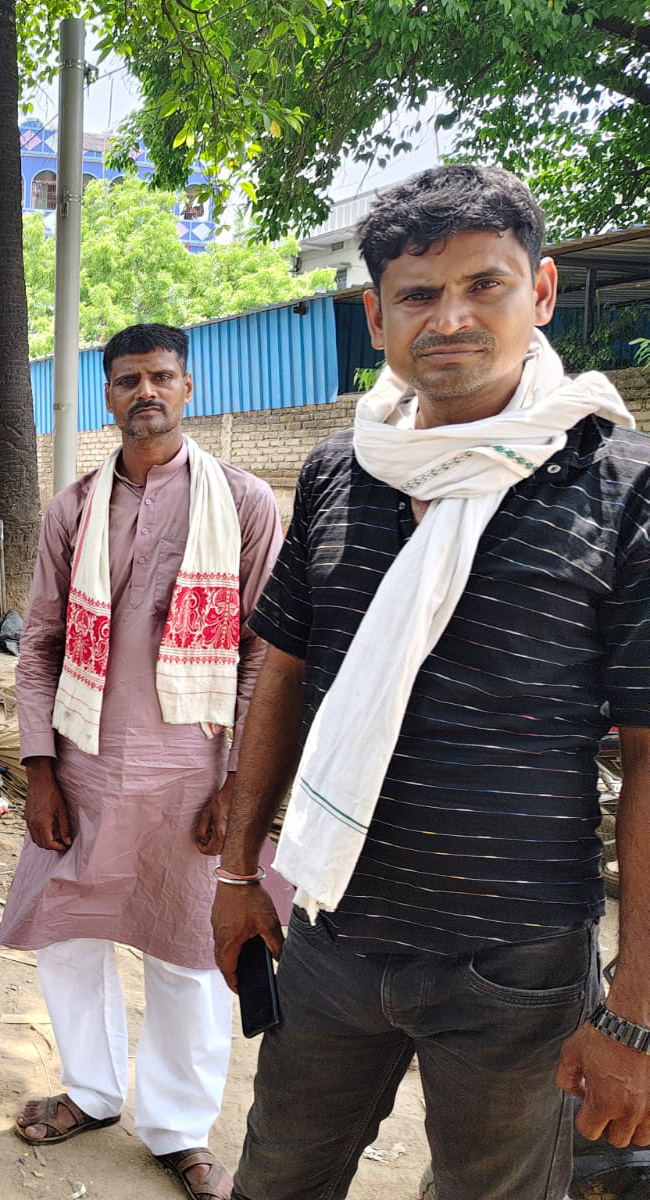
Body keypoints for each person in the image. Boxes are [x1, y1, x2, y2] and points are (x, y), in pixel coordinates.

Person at [213, 165, 650, 1200]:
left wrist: (634, 1005)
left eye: (483, 285)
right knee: (276, 1178)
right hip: (332, 933)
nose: (449, 319)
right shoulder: (339, 470)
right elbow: (282, 673)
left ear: (540, 292)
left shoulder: (620, 487)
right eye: (417, 294)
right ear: (377, 317)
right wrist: (236, 873)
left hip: (514, 967)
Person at [0, 323, 284, 1200]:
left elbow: (264, 655)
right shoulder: (74, 508)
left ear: (188, 387)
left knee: (191, 951)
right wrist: (39, 768)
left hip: (194, 773)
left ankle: (178, 1129)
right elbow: (40, 644)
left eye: (161, 376)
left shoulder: (244, 502)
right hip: (83, 763)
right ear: (108, 395)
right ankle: (91, 1092)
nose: (145, 392)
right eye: (128, 380)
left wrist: (240, 786)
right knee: (65, 935)